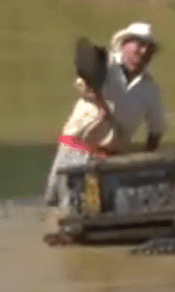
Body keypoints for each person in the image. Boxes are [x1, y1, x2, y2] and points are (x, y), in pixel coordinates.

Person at [42, 39, 118, 208]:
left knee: (74, 195)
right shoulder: (88, 91)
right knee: (70, 194)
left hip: (84, 149)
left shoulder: (100, 95)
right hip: (77, 147)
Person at [102, 21, 168, 153]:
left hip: (112, 157)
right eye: (140, 44)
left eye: (149, 48)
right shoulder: (103, 65)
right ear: (123, 44)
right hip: (77, 147)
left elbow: (157, 129)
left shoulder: (150, 88)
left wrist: (148, 157)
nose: (144, 52)